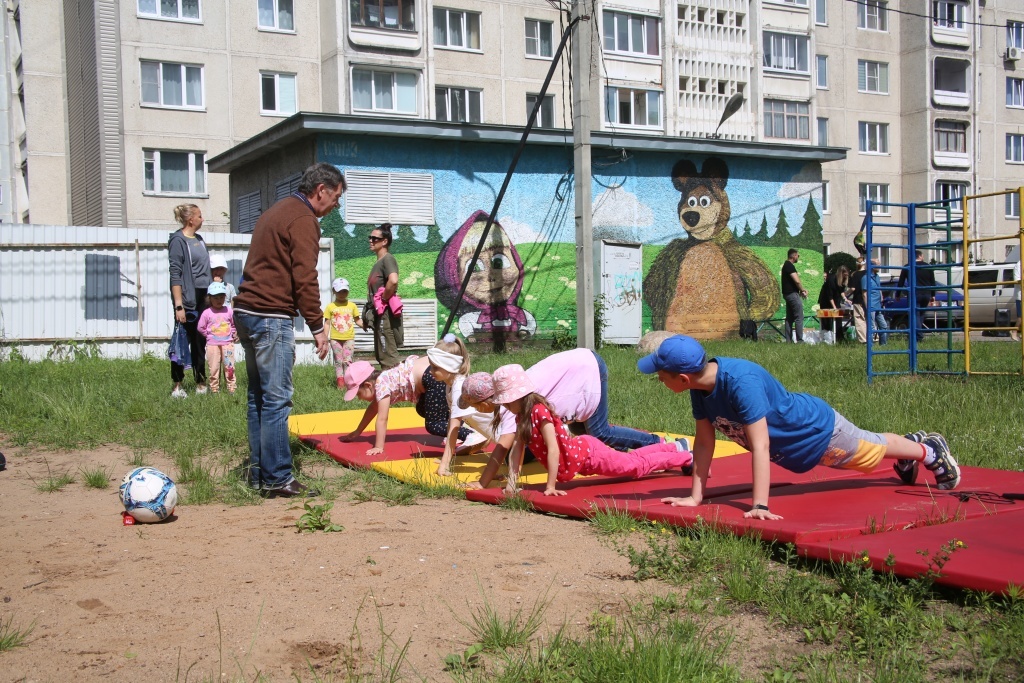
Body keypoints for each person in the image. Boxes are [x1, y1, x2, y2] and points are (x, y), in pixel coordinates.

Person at [639, 335, 961, 520]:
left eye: (660, 376)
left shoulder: (740, 382)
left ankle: (928, 451)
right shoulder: (700, 389)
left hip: (815, 432)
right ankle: (912, 445)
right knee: (872, 447)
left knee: (869, 453)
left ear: (681, 379)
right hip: (796, 447)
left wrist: (760, 506)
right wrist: (696, 498)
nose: (658, 380)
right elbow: (705, 444)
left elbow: (761, 445)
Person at [233, 162, 342, 497]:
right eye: (336, 197)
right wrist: (317, 326)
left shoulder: (276, 211)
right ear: (321, 189)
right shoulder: (304, 219)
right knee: (278, 400)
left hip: (246, 312)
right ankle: (279, 478)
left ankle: (259, 476)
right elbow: (304, 276)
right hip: (270, 316)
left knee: (259, 400)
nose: (336, 205)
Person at [461, 348, 667, 489]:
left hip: (587, 367)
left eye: (475, 405)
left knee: (600, 431)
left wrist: (482, 482)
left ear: (487, 401)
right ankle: (645, 452)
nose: (476, 410)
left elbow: (503, 448)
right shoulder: (509, 396)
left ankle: (657, 443)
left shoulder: (510, 404)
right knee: (581, 430)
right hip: (577, 365)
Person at [489, 364, 693, 496]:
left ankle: (685, 458)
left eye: (507, 402)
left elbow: (553, 448)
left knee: (635, 467)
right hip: (582, 454)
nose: (505, 407)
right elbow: (517, 448)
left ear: (520, 396)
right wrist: (512, 483)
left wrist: (550, 486)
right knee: (633, 460)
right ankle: (674, 448)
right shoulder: (522, 415)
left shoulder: (539, 411)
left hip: (589, 455)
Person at [340, 335, 474, 456]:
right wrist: (358, 431)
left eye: (358, 394)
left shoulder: (381, 385)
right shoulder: (384, 378)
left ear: (368, 385)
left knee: (433, 424)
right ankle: (460, 427)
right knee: (422, 408)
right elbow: (373, 409)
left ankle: (470, 435)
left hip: (431, 376)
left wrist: (378, 446)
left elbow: (382, 419)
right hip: (434, 372)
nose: (359, 398)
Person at [168, 203, 211, 399]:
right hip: (187, 297)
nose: (202, 219)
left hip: (203, 296)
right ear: (190, 219)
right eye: (200, 216)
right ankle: (177, 386)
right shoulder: (178, 240)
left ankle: (200, 382)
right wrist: (179, 306)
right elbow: (175, 275)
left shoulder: (200, 240)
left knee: (200, 341)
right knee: (182, 341)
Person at [365, 223, 403, 369]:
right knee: (382, 353)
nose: (371, 240)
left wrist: (384, 299)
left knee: (389, 355)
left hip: (386, 315)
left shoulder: (388, 259)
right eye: (370, 238)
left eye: (374, 238)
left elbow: (393, 280)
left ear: (384, 241)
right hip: (380, 314)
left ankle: (396, 388)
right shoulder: (379, 262)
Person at [196, 282, 236, 394]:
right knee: (214, 368)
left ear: (225, 297)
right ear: (209, 298)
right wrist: (208, 335)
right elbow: (200, 327)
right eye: (215, 297)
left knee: (229, 367)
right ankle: (214, 389)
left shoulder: (229, 311)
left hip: (227, 344)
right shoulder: (207, 313)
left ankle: (231, 388)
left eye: (221, 297)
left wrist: (233, 333)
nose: (219, 300)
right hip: (212, 346)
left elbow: (233, 325)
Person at [324, 277, 360, 389]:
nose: (342, 293)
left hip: (349, 338)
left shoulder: (352, 306)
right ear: (334, 291)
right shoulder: (330, 307)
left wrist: (367, 325)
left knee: (348, 361)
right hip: (335, 339)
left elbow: (358, 320)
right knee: (338, 361)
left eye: (344, 291)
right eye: (339, 291)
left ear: (348, 291)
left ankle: (349, 382)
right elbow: (327, 323)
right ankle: (340, 383)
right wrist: (325, 338)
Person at [897, 250, 935, 343]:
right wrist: (933, 295)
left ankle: (918, 336)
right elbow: (932, 281)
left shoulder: (907, 267)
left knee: (915, 314)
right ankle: (917, 334)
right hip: (926, 293)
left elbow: (901, 282)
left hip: (914, 293)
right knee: (921, 314)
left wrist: (898, 294)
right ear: (920, 256)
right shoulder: (928, 267)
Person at [781, 248, 808, 343]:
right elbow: (796, 280)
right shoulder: (789, 266)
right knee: (799, 317)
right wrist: (802, 290)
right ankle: (800, 340)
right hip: (792, 295)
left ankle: (788, 340)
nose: (798, 257)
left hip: (787, 294)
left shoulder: (786, 265)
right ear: (793, 256)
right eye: (797, 255)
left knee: (790, 318)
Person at [817, 264, 850, 341]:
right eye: (845, 275)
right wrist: (834, 307)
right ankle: (826, 338)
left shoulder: (842, 281)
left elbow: (841, 291)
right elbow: (829, 296)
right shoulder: (831, 280)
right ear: (841, 273)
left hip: (835, 299)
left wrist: (845, 299)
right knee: (827, 320)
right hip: (826, 300)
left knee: (838, 318)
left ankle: (839, 337)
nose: (846, 277)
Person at [867, 259, 889, 345]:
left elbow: (879, 289)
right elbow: (864, 294)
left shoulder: (877, 277)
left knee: (883, 326)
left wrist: (881, 299)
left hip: (878, 305)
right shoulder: (866, 278)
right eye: (878, 264)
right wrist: (867, 306)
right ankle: (870, 346)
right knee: (872, 327)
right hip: (871, 305)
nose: (880, 266)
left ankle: (883, 345)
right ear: (872, 266)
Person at [850, 258, 868, 343]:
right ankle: (874, 338)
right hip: (869, 300)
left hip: (858, 300)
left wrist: (845, 294)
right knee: (869, 319)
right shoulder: (868, 274)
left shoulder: (854, 274)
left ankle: (863, 340)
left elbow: (852, 288)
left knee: (860, 320)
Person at [1012, 258, 1021, 342]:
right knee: (1021, 317)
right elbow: (1016, 280)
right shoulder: (1018, 265)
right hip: (1021, 296)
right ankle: (1014, 332)